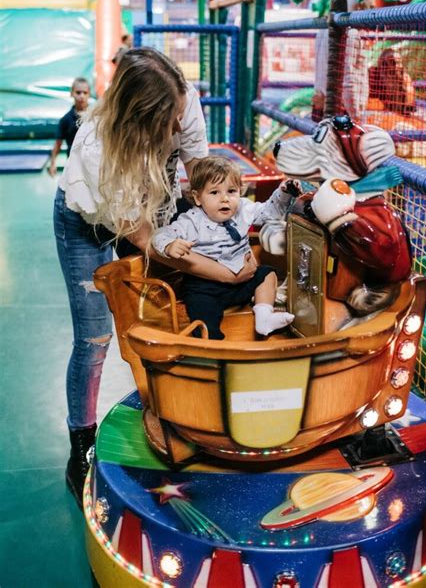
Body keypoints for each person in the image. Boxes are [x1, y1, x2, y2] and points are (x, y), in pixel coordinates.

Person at [53, 48, 259, 507]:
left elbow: (202, 182)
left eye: (180, 112)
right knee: (95, 338)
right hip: (87, 222)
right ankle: (79, 442)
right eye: (169, 121)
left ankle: (170, 405)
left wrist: (222, 231)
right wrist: (224, 274)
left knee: (159, 311)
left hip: (152, 208)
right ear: (142, 119)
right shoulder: (99, 152)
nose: (178, 126)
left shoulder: (184, 102)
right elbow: (147, 240)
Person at [152, 156, 297, 340]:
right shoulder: (192, 221)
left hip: (244, 279)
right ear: (198, 198)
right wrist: (169, 245)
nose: (225, 199)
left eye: (231, 191)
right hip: (206, 286)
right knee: (203, 316)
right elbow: (159, 235)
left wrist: (284, 194)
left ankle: (264, 317)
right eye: (214, 193)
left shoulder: (243, 209)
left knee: (267, 274)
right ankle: (210, 342)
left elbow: (270, 213)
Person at [48, 77, 91, 177]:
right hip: (74, 165)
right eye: (78, 92)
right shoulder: (65, 120)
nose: (81, 96)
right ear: (71, 93)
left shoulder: (96, 116)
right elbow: (58, 143)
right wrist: (53, 163)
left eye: (85, 93)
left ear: (89, 94)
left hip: (93, 164)